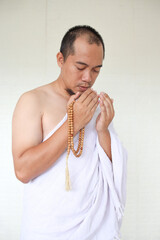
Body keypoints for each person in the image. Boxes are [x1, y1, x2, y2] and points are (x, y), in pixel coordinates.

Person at [12, 25, 127, 240]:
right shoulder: (33, 100)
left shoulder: (94, 104)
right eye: (80, 67)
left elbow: (111, 176)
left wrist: (103, 130)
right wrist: (74, 123)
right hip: (47, 229)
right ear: (60, 59)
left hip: (93, 230)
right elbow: (23, 171)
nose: (88, 78)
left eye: (96, 69)